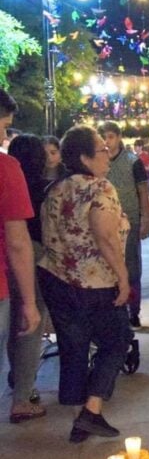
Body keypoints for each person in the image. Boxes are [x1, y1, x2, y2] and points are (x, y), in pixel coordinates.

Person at [38, 126, 131, 443]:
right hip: (95, 282)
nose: (108, 155)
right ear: (84, 158)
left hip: (56, 279)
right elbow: (105, 237)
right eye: (102, 150)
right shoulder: (100, 189)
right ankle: (91, 409)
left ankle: (81, 422)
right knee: (117, 340)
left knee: (73, 348)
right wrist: (123, 277)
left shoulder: (56, 188)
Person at [0, 91, 44, 427]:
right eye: (2, 126)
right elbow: (17, 241)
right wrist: (29, 303)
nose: (4, 136)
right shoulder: (6, 168)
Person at [5, 134, 50, 423]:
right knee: (30, 322)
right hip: (29, 254)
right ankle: (23, 394)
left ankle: (16, 377)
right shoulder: (44, 188)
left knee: (11, 325)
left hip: (4, 258)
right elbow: (22, 237)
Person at [97, 121, 149, 328]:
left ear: (118, 137)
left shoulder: (132, 161)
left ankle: (133, 310)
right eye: (104, 137)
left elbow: (142, 190)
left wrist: (145, 217)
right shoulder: (97, 160)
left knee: (131, 266)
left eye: (111, 137)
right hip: (104, 220)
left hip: (130, 220)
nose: (108, 142)